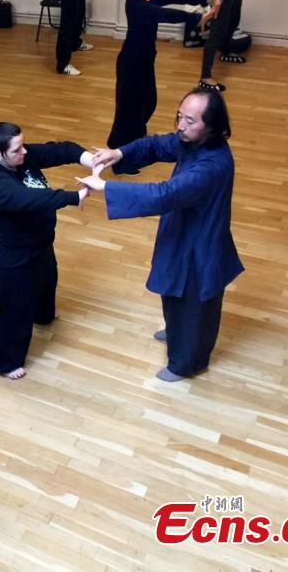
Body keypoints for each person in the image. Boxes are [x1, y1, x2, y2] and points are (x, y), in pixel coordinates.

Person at [77, 88, 244, 381]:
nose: (181, 126)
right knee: (172, 287)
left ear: (212, 125)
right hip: (183, 229)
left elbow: (165, 194)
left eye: (190, 120)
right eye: (180, 117)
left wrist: (107, 188)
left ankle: (186, 362)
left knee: (195, 302)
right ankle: (177, 330)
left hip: (201, 241)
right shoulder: (194, 140)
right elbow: (158, 145)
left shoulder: (213, 165)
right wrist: (119, 153)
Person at [0, 122, 93, 379]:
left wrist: (88, 158)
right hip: (10, 258)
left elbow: (60, 150)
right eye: (17, 149)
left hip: (38, 244)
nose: (25, 153)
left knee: (46, 281)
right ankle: (2, 363)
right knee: (16, 310)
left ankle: (43, 316)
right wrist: (74, 197)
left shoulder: (21, 157)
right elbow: (30, 200)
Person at [106, 0, 220, 163]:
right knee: (129, 109)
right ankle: (123, 154)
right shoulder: (134, 4)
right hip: (131, 63)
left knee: (149, 102)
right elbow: (165, 15)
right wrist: (197, 18)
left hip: (146, 60)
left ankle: (131, 145)